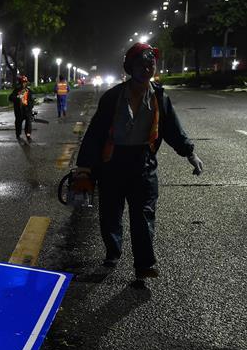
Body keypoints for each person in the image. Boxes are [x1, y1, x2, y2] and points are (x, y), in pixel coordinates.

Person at [74, 42, 203, 280]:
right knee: (110, 213)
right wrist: (84, 167)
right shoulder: (113, 97)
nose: (147, 68)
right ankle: (113, 252)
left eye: (151, 63)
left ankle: (144, 264)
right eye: (141, 64)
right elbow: (96, 133)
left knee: (143, 214)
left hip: (143, 162)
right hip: (112, 162)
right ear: (130, 68)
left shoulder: (160, 97)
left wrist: (190, 154)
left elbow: (173, 129)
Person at [9, 74, 34, 141]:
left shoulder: (29, 91)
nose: (24, 84)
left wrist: (30, 107)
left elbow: (31, 100)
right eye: (23, 82)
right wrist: (17, 98)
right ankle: (18, 134)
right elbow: (10, 98)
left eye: (25, 82)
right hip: (19, 110)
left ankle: (28, 135)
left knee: (28, 123)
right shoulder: (16, 91)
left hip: (27, 109)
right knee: (18, 123)